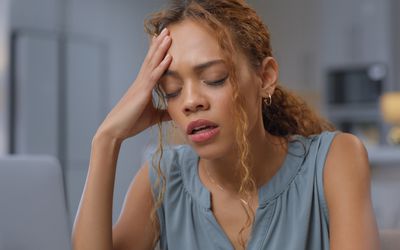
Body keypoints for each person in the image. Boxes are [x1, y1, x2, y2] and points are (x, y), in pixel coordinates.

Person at [71, 1, 380, 249]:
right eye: (172, 90)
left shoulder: (334, 161)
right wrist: (106, 140)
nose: (191, 101)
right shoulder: (162, 179)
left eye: (215, 78)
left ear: (266, 77)